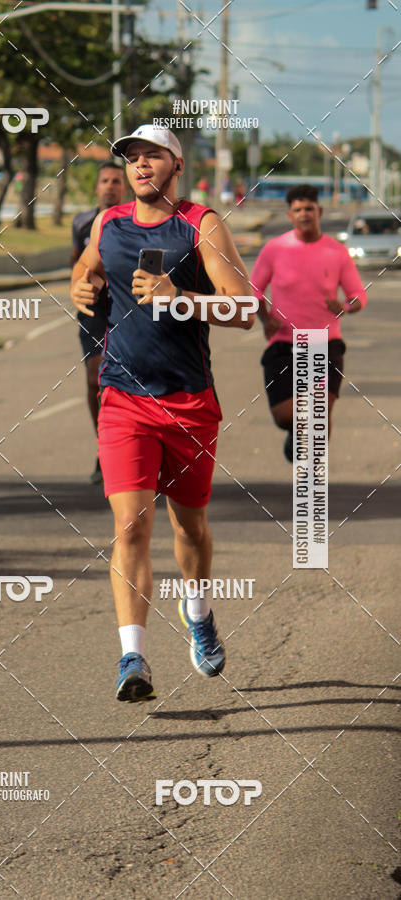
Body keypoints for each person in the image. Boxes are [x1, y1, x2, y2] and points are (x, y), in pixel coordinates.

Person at [70, 124, 256, 702]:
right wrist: (81, 287)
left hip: (188, 402)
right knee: (131, 525)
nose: (140, 165)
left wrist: (182, 297)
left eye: (153, 155)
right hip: (123, 398)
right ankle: (133, 658)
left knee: (189, 527)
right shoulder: (110, 222)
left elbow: (245, 308)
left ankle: (197, 612)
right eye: (131, 157)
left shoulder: (201, 225)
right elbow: (86, 271)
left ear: (176, 165)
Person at [251, 184, 367, 462]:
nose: (304, 214)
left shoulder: (337, 252)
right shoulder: (274, 249)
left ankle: (312, 476)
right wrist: (265, 319)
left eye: (309, 209)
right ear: (290, 215)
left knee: (320, 413)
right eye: (298, 210)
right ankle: (296, 431)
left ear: (319, 211)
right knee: (284, 416)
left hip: (325, 344)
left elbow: (358, 295)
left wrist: (345, 306)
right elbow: (254, 291)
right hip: (283, 344)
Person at [71, 162, 127, 483]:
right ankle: (103, 448)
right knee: (95, 378)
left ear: (124, 187)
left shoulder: (134, 222)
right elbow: (76, 263)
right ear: (97, 187)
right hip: (94, 311)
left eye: (116, 181)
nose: (109, 186)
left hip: (127, 309)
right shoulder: (82, 223)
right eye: (104, 180)